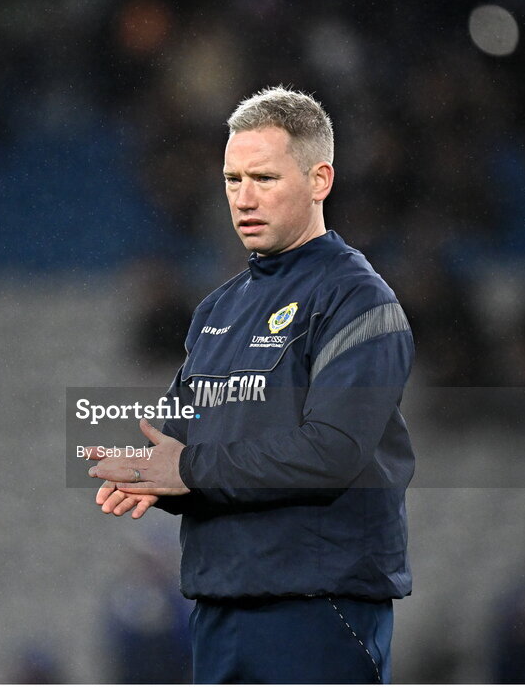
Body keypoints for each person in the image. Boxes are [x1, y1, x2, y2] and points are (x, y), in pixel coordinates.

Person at [87, 86, 415, 684]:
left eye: (263, 177)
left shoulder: (357, 300)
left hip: (317, 608)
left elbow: (333, 451)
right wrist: (146, 472)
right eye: (233, 180)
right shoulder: (217, 310)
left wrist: (186, 470)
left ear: (320, 180)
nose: (243, 198)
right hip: (219, 607)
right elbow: (183, 444)